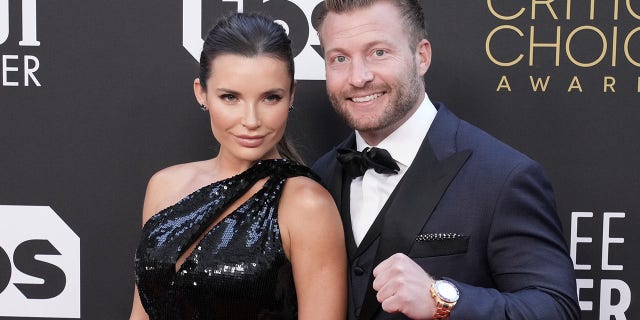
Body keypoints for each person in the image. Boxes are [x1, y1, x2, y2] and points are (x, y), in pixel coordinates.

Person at [312, 0, 580, 319]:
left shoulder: (502, 177)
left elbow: (556, 309)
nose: (358, 77)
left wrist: (441, 300)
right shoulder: (318, 178)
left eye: (378, 52)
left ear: (421, 56)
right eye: (340, 58)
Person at [129, 12, 347, 320]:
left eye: (270, 98)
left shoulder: (306, 205)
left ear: (291, 95)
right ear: (201, 93)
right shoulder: (164, 186)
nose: (251, 121)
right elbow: (142, 313)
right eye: (230, 97)